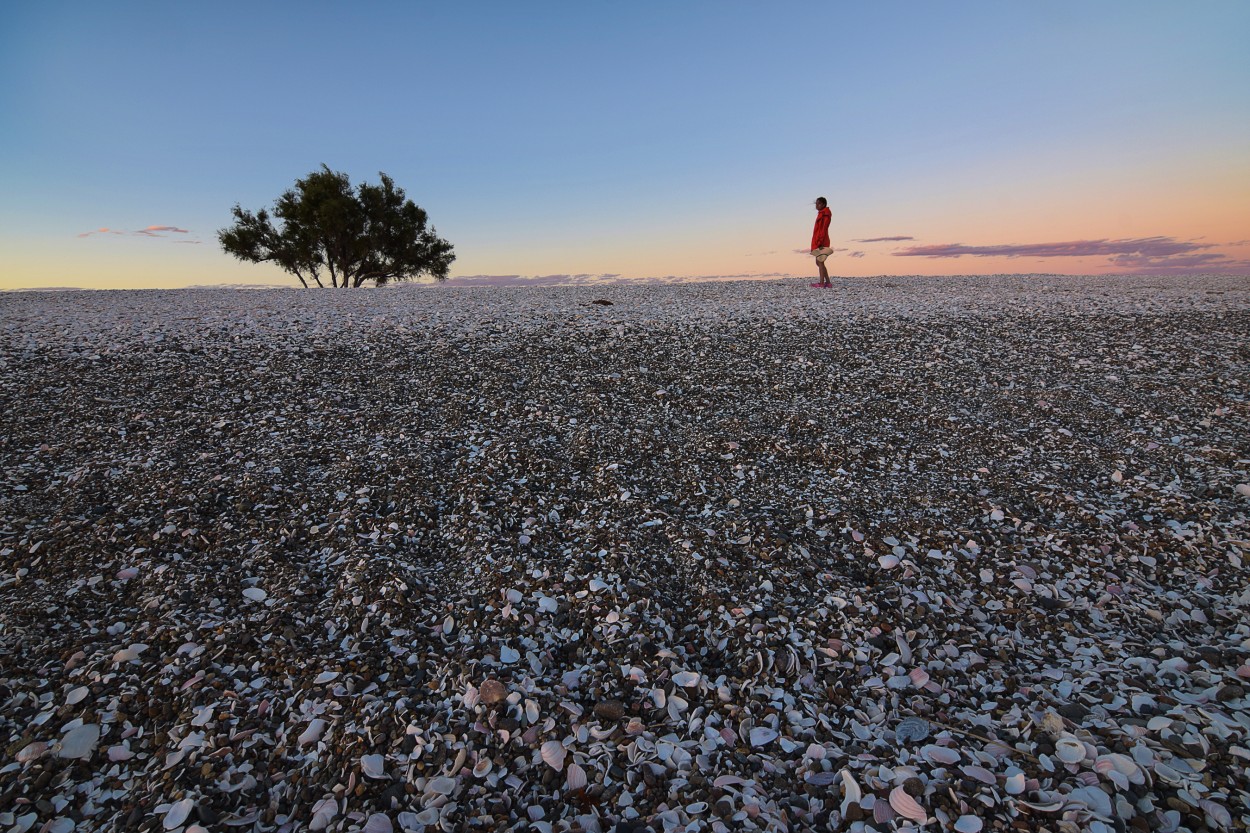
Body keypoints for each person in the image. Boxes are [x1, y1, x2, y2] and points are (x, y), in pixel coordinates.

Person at [810, 197, 834, 288]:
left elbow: (823, 229)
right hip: (819, 239)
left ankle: (822, 283)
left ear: (823, 204)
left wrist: (819, 241)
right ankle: (827, 282)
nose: (817, 205)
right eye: (816, 203)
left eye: (818, 204)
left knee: (820, 262)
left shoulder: (824, 214)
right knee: (819, 262)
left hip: (821, 240)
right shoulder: (822, 213)